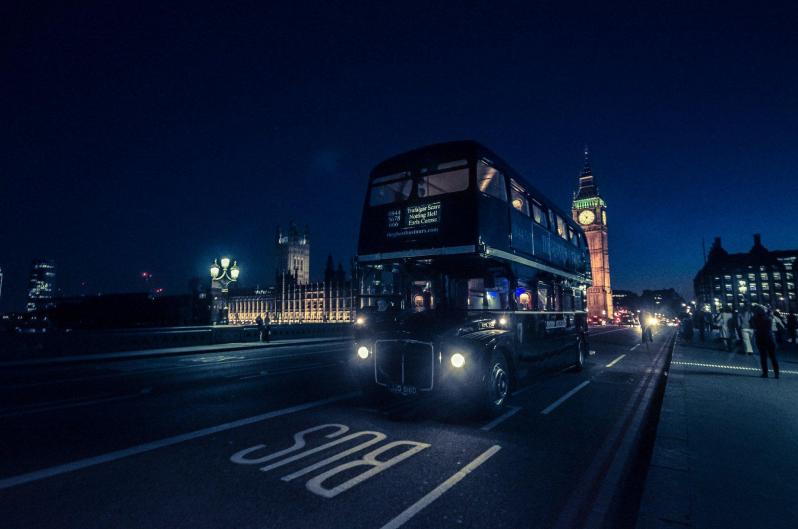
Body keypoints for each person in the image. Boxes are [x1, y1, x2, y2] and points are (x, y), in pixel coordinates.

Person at [751, 305, 779, 378]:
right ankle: (776, 374)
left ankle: (765, 373)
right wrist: (769, 310)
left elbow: (753, 325)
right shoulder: (768, 318)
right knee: (773, 357)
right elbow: (770, 315)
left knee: (763, 357)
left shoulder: (755, 319)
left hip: (760, 338)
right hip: (770, 338)